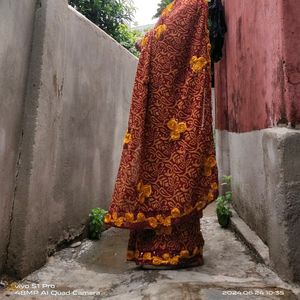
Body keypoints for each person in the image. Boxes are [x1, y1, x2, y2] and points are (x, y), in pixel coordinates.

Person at [104, 0, 221, 269]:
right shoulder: (179, 4)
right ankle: (165, 250)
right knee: (156, 171)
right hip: (162, 112)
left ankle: (177, 252)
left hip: (173, 112)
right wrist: (149, 40)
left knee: (174, 171)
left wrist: (146, 42)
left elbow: (168, 39)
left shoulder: (191, 3)